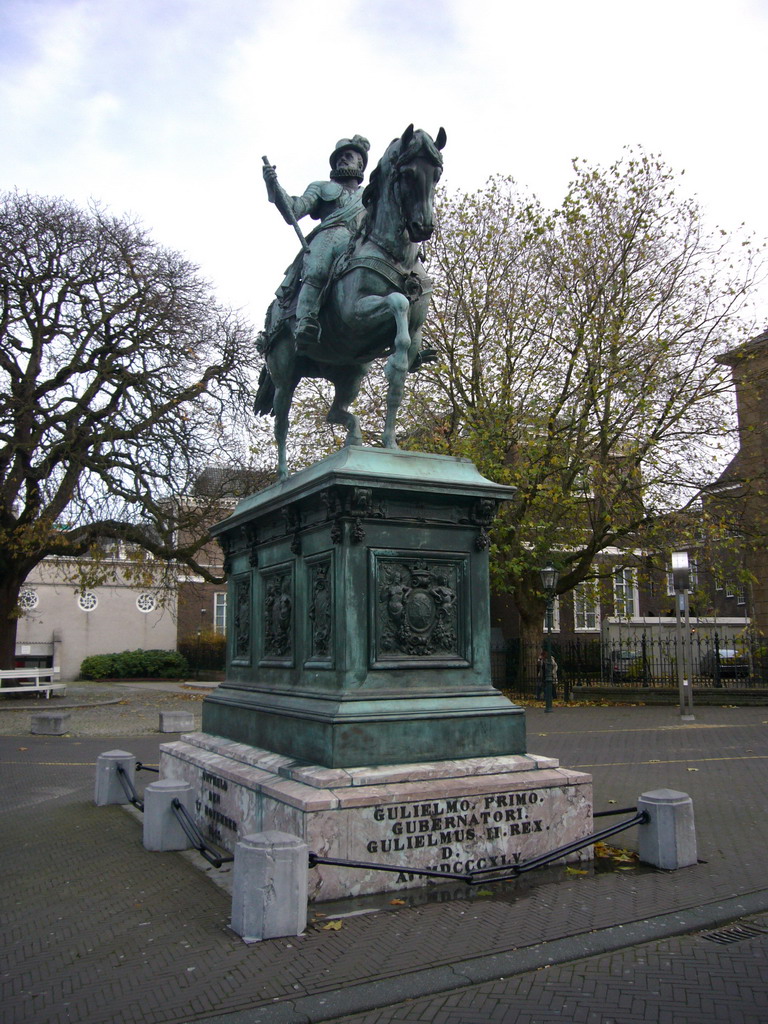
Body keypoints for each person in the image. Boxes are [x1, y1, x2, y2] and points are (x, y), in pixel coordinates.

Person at [262, 134, 370, 353]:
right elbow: (294, 210)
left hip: (360, 242)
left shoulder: (370, 195)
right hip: (330, 236)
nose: (342, 160)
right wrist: (274, 186)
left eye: (348, 156)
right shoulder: (321, 187)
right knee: (318, 268)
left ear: (360, 163)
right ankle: (305, 321)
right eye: (338, 157)